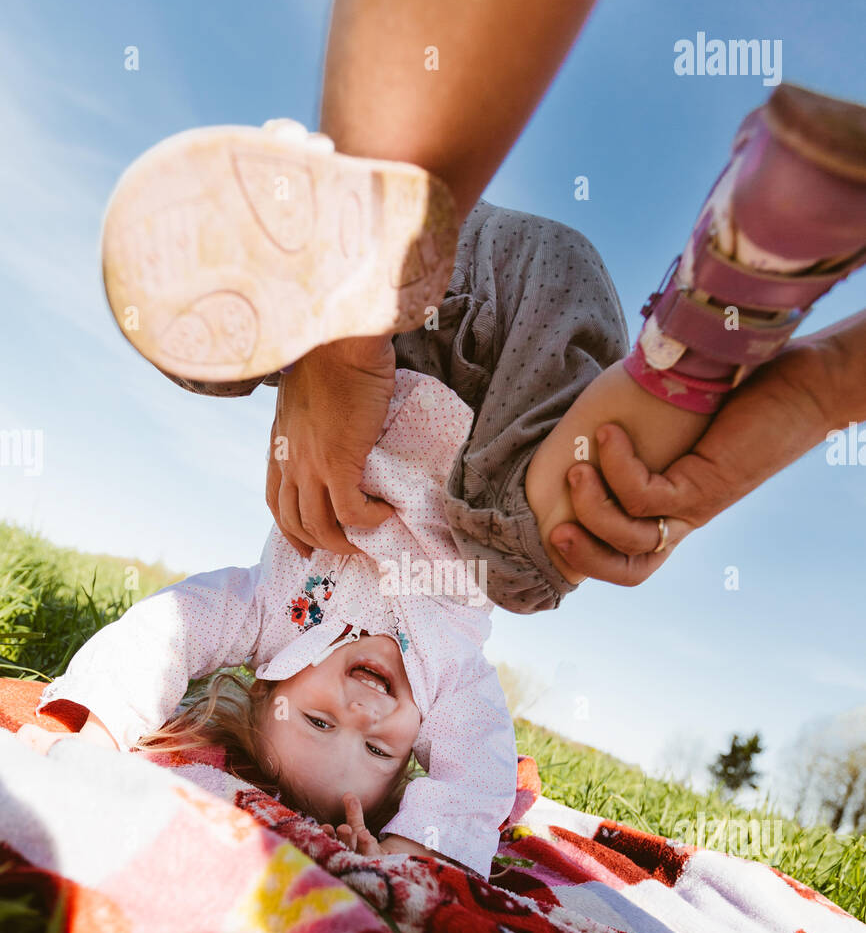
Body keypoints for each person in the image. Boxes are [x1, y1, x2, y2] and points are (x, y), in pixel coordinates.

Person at [101, 83, 866, 611]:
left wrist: (335, 348)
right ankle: (299, 223)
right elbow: (475, 767)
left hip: (468, 265)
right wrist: (820, 389)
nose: (366, 722)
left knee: (558, 527)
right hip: (479, 276)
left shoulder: (290, 629)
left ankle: (724, 301)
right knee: (537, 541)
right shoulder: (431, 681)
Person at [19, 370, 518, 879]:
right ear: (416, 747)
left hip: (376, 371)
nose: (363, 712)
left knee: (208, 364)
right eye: (377, 748)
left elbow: (173, 629)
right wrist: (407, 852)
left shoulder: (272, 617)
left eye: (320, 721)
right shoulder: (447, 683)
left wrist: (99, 738)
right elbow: (477, 775)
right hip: (503, 428)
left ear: (268, 685)